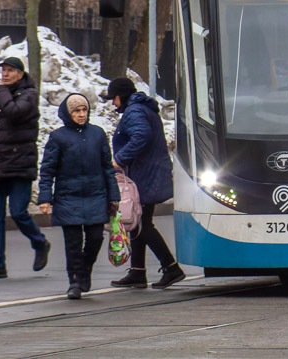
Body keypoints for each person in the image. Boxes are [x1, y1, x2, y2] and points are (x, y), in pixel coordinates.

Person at [38, 93, 119, 300]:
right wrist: (45, 197)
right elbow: (47, 170)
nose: (81, 114)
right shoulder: (58, 137)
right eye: (76, 111)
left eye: (84, 110)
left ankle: (85, 268)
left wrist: (113, 196)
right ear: (68, 114)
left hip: (96, 195)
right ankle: (74, 281)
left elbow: (107, 168)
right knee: (73, 242)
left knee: (95, 238)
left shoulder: (97, 134)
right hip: (68, 197)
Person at [105, 77, 184, 290]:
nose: (113, 103)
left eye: (114, 98)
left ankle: (171, 267)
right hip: (149, 172)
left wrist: (120, 159)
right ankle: (137, 271)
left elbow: (141, 136)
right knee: (137, 222)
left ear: (122, 96)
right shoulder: (142, 108)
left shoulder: (134, 111)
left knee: (142, 224)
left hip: (145, 175)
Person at [0, 56, 50, 279]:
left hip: (20, 163)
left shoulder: (29, 94)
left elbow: (14, 112)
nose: (5, 74)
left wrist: (0, 91)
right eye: (3, 70)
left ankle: (39, 242)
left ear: (20, 73)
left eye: (10, 70)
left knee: (18, 212)